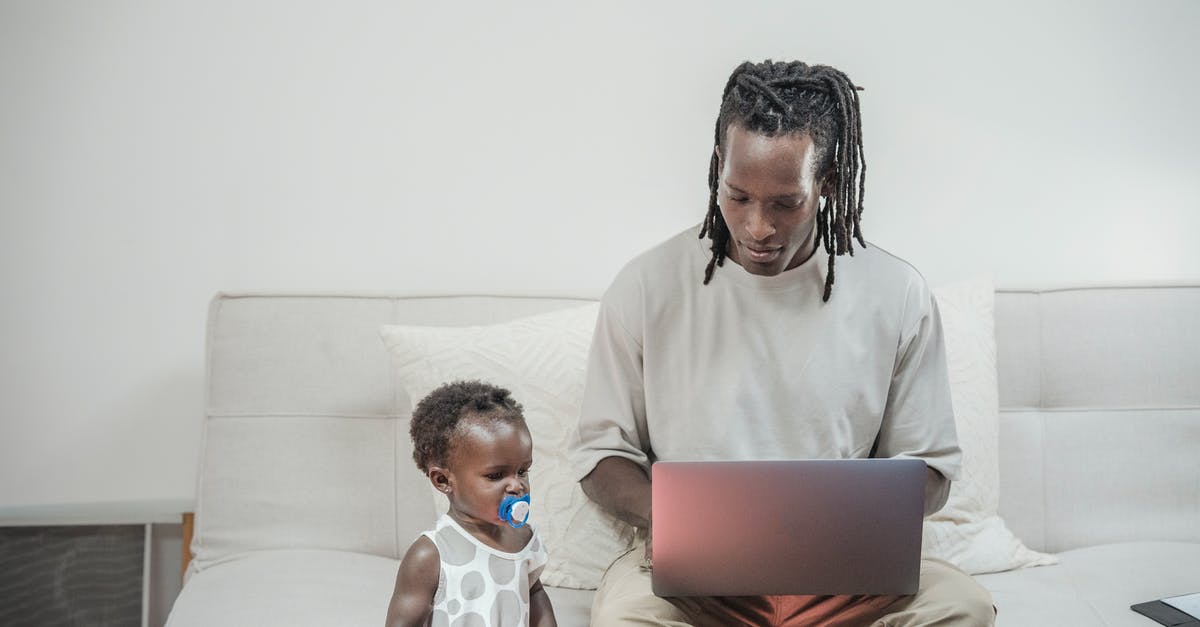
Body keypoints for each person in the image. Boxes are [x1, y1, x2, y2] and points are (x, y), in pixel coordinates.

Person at [569, 59, 996, 626]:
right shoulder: (646, 286)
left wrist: (840, 532)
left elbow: (932, 471)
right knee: (625, 621)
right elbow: (600, 454)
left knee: (963, 609)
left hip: (844, 575)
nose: (756, 228)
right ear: (718, 167)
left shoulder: (896, 293)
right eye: (738, 196)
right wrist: (668, 521)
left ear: (827, 183)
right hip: (692, 578)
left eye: (784, 203)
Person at [386, 380, 557, 627]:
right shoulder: (432, 554)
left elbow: (535, 593)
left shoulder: (524, 539)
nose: (516, 485)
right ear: (444, 480)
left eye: (522, 471)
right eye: (496, 475)